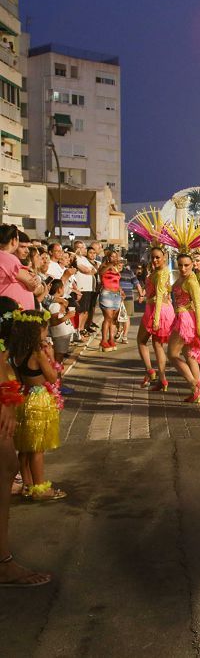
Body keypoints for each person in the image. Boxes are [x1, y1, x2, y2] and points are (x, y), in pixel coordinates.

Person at [0, 299, 52, 586]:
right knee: (13, 461)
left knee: (12, 462)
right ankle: (3, 563)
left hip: (19, 404)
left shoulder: (11, 351)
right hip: (35, 402)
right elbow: (51, 375)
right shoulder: (20, 349)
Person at [9, 309, 66, 501]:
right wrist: (51, 356)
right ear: (36, 331)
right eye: (45, 330)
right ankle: (41, 489)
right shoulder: (37, 353)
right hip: (39, 399)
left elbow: (19, 379)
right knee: (37, 448)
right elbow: (52, 377)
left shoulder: (17, 353)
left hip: (24, 399)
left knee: (25, 448)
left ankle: (28, 485)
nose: (46, 333)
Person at [127, 211, 174, 392]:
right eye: (152, 257)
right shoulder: (156, 272)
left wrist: (154, 318)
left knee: (141, 342)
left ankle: (152, 372)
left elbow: (161, 293)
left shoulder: (161, 273)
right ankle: (161, 379)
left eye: (157, 258)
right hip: (160, 308)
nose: (154, 260)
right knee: (156, 345)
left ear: (164, 259)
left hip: (157, 309)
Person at [168, 250, 200, 403]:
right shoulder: (182, 277)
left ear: (193, 264)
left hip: (186, 319)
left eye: (186, 265)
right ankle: (197, 393)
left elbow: (198, 304)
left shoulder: (192, 280)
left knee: (172, 355)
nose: (183, 268)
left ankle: (194, 384)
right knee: (189, 355)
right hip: (182, 316)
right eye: (180, 265)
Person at [0, 225, 41, 309]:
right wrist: (33, 281)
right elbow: (32, 283)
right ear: (14, 240)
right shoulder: (6, 258)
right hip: (12, 315)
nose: (26, 251)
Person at [97, 249, 125, 352]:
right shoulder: (104, 267)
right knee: (108, 317)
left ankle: (111, 339)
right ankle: (103, 340)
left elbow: (117, 282)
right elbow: (101, 273)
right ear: (108, 257)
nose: (114, 258)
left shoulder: (117, 268)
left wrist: (121, 290)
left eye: (115, 256)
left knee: (113, 319)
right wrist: (110, 265)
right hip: (106, 294)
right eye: (112, 256)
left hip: (116, 295)